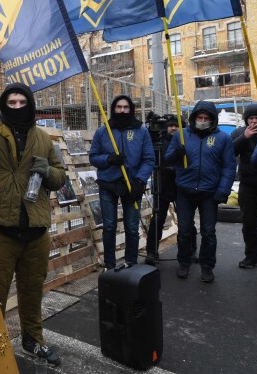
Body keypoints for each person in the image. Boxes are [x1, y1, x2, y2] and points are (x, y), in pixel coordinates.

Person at [0, 83, 65, 367]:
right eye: (11, 102)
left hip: (35, 229)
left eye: (21, 102)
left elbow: (60, 176)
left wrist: (48, 171)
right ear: (4, 105)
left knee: (32, 290)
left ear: (30, 104)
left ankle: (33, 339)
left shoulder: (42, 137)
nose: (16, 107)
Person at [165, 101, 235, 282]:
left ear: (212, 120)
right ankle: (184, 262)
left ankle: (207, 266)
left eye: (206, 118)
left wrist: (223, 190)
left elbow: (229, 167)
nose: (202, 121)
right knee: (185, 231)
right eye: (199, 117)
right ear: (193, 118)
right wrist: (176, 154)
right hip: (185, 191)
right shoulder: (181, 135)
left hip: (209, 192)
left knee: (208, 232)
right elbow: (167, 160)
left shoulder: (223, 139)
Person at [90, 95, 155, 270]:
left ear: (131, 109)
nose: (122, 110)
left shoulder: (141, 131)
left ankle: (131, 263)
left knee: (132, 227)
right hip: (108, 184)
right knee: (109, 226)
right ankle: (110, 265)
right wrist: (109, 159)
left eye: (126, 107)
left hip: (132, 184)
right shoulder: (104, 131)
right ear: (113, 109)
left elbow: (149, 159)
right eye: (119, 107)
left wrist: (140, 180)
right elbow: (93, 157)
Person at [145, 115, 198, 265]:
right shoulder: (159, 140)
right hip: (162, 185)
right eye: (170, 125)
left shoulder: (187, 140)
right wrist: (150, 128)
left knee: (186, 221)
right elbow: (148, 149)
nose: (173, 128)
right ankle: (151, 251)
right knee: (157, 220)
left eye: (177, 125)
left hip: (182, 186)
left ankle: (191, 250)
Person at [231, 104, 257, 269]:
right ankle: (251, 257)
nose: (254, 121)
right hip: (248, 183)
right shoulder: (239, 132)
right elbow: (229, 151)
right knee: (249, 222)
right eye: (250, 118)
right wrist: (243, 137)